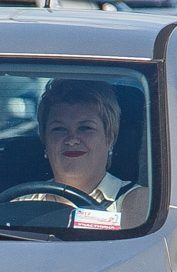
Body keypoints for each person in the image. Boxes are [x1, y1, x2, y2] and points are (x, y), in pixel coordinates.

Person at [15, 79, 144, 215]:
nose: (72, 140)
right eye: (59, 129)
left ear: (110, 138)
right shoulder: (20, 203)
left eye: (85, 128)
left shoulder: (136, 201)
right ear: (45, 140)